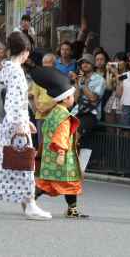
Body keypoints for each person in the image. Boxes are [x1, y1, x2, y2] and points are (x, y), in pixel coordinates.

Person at [0, 31, 52, 220]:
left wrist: (24, 122)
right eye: (27, 52)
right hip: (16, 124)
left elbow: (14, 101)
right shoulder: (16, 71)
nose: (28, 55)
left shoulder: (8, 68)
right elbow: (16, 101)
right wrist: (21, 123)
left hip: (14, 123)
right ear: (24, 51)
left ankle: (28, 203)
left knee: (18, 164)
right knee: (15, 163)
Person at [31, 67, 89, 218]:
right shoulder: (64, 116)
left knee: (47, 183)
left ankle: (30, 198)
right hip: (62, 157)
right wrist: (62, 152)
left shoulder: (53, 113)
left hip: (50, 155)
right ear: (65, 99)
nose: (73, 98)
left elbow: (47, 132)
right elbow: (61, 136)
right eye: (71, 96)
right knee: (70, 183)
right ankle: (72, 209)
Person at [71, 53, 106, 145]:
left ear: (93, 65)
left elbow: (93, 98)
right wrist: (76, 82)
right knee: (65, 128)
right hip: (77, 111)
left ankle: (73, 154)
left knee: (77, 133)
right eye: (82, 63)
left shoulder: (100, 79)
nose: (84, 65)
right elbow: (75, 99)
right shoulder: (80, 78)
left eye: (88, 63)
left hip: (91, 113)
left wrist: (83, 84)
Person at [29, 54, 57, 144]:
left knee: (53, 141)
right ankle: (41, 158)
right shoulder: (38, 78)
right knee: (41, 141)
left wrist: (48, 107)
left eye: (49, 62)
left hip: (54, 113)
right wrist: (39, 108)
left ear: (54, 64)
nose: (47, 65)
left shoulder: (58, 78)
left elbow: (59, 97)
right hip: (40, 113)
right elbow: (35, 95)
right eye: (45, 63)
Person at [104, 52, 127, 127]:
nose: (117, 63)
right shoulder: (115, 74)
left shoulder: (128, 74)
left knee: (122, 131)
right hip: (111, 105)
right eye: (116, 61)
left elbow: (119, 91)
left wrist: (116, 73)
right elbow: (108, 87)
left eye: (120, 61)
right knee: (110, 131)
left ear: (126, 62)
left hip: (122, 106)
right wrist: (108, 72)